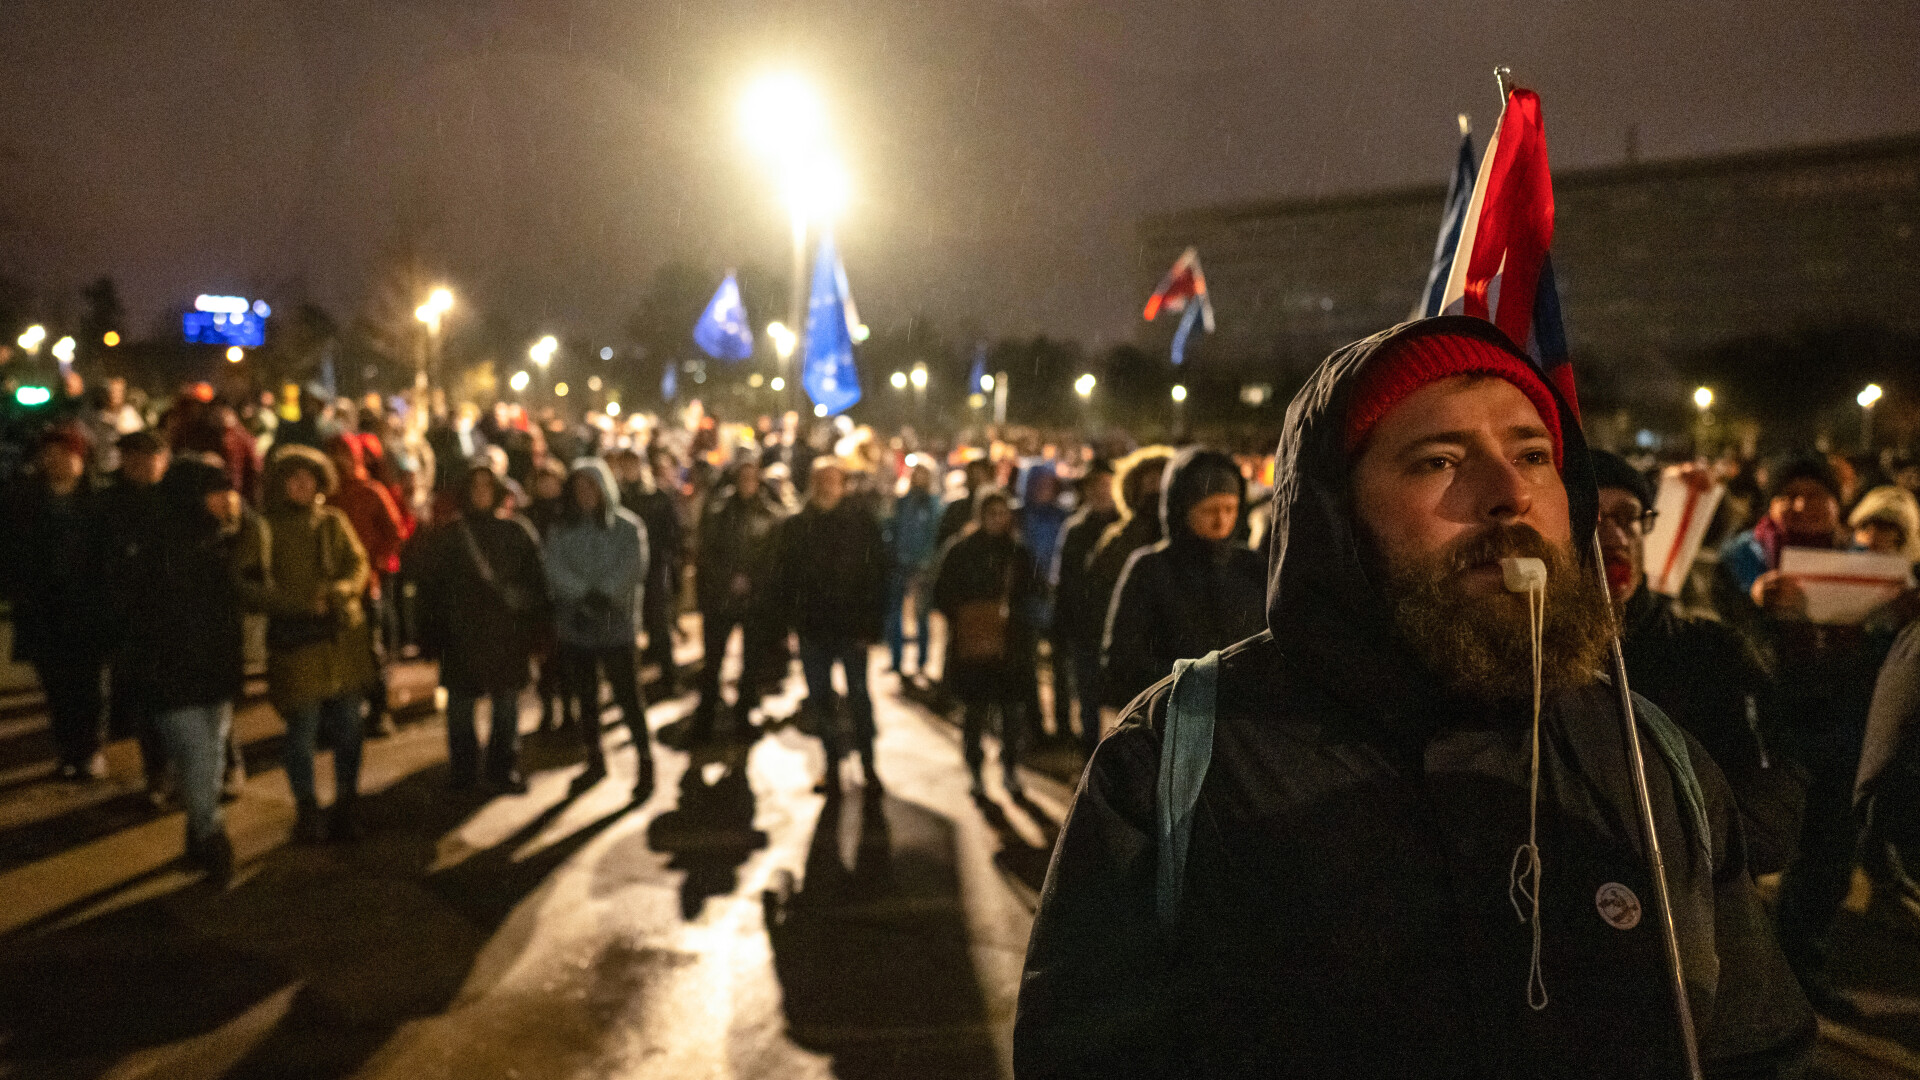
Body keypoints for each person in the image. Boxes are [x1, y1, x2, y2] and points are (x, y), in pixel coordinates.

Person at [1016, 318, 1813, 1078]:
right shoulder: (1180, 756)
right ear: (1337, 514)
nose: (1509, 493)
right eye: (1439, 461)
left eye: (1534, 455)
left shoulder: (1647, 760)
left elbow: (1750, 1042)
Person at [1713, 453, 1897, 1015]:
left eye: (1815, 494)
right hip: (1771, 724)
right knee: (1755, 850)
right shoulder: (1741, 557)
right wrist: (1756, 606)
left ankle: (1801, 970)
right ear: (1770, 504)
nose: (1802, 504)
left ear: (1835, 505)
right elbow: (1722, 627)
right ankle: (1736, 972)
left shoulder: (1867, 562)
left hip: (1845, 724)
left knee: (1827, 853)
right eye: (1788, 493)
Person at [1589, 450, 1804, 876]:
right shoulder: (1529, 663)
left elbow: (1768, 816)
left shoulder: (1711, 652)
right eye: (1592, 520)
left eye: (1629, 516)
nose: (1615, 536)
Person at [239, 447, 374, 842]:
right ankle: (307, 809)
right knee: (303, 730)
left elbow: (358, 563)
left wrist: (341, 591)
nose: (302, 484)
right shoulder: (265, 528)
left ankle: (348, 803)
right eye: (293, 477)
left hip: (341, 641)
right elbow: (247, 585)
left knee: (350, 727)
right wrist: (296, 604)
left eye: (308, 476)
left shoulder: (334, 521)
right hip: (296, 644)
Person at [131, 457, 253, 882]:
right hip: (173, 673)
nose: (229, 499)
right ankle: (213, 836)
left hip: (214, 671)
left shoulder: (223, 539)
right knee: (200, 756)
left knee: (212, 757)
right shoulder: (158, 546)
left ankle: (195, 838)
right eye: (217, 491)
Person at [413, 463, 550, 794]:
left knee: (506, 707)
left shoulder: (516, 532)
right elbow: (429, 590)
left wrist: (537, 633)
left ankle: (502, 768)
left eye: (487, 486)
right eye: (474, 486)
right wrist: (430, 637)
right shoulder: (449, 537)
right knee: (460, 708)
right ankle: (464, 771)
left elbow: (537, 586)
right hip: (461, 638)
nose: (481, 493)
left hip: (506, 636)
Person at [1100, 447, 1266, 710]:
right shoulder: (1151, 568)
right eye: (1209, 510)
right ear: (1182, 509)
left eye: (1230, 508)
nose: (1221, 520)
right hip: (1172, 722)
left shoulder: (1251, 566)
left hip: (1243, 719)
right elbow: (1124, 660)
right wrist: (1194, 685)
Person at [2, 425, 112, 781]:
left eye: (64, 454)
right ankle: (67, 751)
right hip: (43, 609)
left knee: (88, 685)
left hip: (88, 608)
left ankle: (90, 749)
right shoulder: (24, 498)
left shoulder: (99, 500)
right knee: (56, 687)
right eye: (48, 455)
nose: (55, 462)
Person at [774, 459, 888, 795]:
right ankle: (832, 767)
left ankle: (869, 766)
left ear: (843, 485)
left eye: (833, 480)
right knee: (820, 701)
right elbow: (784, 579)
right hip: (813, 630)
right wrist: (786, 624)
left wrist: (871, 626)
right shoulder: (796, 526)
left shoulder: (860, 523)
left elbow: (877, 575)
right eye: (820, 480)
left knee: (858, 698)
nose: (827, 487)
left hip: (852, 629)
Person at [544, 458, 653, 802]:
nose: (585, 494)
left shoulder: (627, 527)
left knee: (627, 696)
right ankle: (594, 757)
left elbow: (633, 566)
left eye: (591, 486)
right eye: (579, 488)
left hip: (615, 622)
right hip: (577, 624)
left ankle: (645, 759)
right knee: (586, 697)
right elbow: (554, 567)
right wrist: (581, 596)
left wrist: (603, 595)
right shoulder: (561, 531)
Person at [933, 489, 1044, 800]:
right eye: (991, 513)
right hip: (973, 647)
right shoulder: (960, 551)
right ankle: (975, 771)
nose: (997, 519)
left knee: (1011, 712)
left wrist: (1016, 615)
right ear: (979, 516)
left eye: (1002, 512)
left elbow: (1035, 590)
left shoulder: (1018, 552)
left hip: (1011, 646)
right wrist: (970, 615)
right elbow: (942, 593)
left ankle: (1009, 767)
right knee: (975, 712)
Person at [691, 456, 788, 743]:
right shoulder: (719, 511)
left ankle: (743, 715)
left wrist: (752, 581)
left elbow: (773, 558)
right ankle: (705, 717)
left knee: (751, 663)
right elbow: (707, 553)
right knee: (713, 662)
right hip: (721, 600)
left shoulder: (770, 513)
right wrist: (728, 579)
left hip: (755, 602)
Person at [102, 430, 176, 799]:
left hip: (177, 618)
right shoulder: (109, 503)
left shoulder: (180, 499)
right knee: (148, 702)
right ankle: (157, 773)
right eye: (132, 457)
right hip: (132, 620)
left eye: (150, 456)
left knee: (188, 699)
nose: (141, 464)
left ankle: (214, 767)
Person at [325, 434, 408, 735]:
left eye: (344, 454)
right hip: (334, 588)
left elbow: (395, 531)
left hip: (367, 584)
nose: (339, 461)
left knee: (371, 649)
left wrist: (378, 563)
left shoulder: (371, 492)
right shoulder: (326, 495)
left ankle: (378, 709)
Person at [1082, 446, 1175, 706]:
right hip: (1136, 657)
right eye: (1150, 482)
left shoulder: (1191, 542)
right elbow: (1099, 593)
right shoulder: (1120, 538)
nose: (1156, 490)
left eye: (1162, 480)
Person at [1051, 458, 1119, 754]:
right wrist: (1062, 625)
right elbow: (1065, 582)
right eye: (1096, 485)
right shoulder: (1075, 529)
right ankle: (1090, 753)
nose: (1101, 491)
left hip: (1119, 627)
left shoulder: (1126, 528)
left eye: (1106, 484)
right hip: (1085, 627)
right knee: (1088, 697)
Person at [883, 459, 943, 677]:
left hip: (923, 568)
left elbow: (934, 536)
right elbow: (891, 528)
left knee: (921, 616)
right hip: (899, 564)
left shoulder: (935, 504)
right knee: (894, 614)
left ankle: (922, 661)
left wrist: (926, 564)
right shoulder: (901, 501)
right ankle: (896, 659)